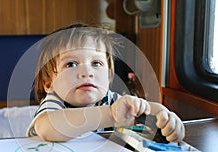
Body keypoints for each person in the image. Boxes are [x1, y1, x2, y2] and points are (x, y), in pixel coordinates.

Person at [27, 23, 185, 142]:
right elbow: (47, 127)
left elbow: (146, 110)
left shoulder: (110, 100)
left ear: (109, 78)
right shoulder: (55, 102)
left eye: (96, 63)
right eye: (71, 64)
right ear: (49, 84)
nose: (87, 72)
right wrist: (111, 114)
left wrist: (166, 118)